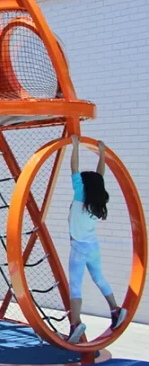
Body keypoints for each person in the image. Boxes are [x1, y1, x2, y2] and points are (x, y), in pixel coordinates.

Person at [66, 135, 126, 344]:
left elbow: (74, 168)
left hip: (79, 247)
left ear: (84, 184)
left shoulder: (80, 193)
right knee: (99, 278)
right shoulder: (97, 199)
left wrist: (75, 146)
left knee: (75, 285)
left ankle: (76, 323)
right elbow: (100, 176)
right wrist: (101, 153)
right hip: (93, 246)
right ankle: (115, 309)